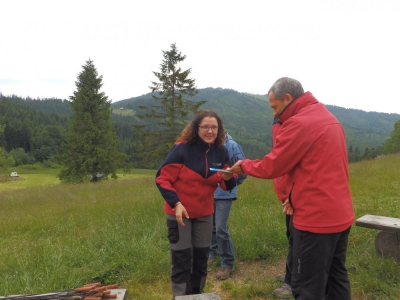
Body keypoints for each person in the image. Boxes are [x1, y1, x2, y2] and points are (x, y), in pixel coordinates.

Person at [228, 77, 355, 300]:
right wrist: (292, 195)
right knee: (336, 279)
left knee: (306, 287)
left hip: (315, 221)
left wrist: (244, 165)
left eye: (274, 107)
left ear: (287, 98)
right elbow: (317, 170)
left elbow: (272, 166)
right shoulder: (327, 117)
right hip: (340, 214)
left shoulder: (299, 123)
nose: (274, 114)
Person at [155, 110, 237, 299]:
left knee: (201, 259)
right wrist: (176, 203)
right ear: (196, 128)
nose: (210, 131)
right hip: (179, 213)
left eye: (214, 127)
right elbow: (162, 179)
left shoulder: (221, 151)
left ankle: (197, 295)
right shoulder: (181, 149)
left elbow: (226, 184)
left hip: (205, 214)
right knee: (182, 258)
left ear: (219, 129)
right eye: (205, 127)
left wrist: (229, 176)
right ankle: (181, 296)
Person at [208, 133, 247, 280]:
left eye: (215, 127)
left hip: (225, 195)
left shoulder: (232, 146)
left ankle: (228, 264)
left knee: (220, 229)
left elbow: (242, 169)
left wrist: (232, 185)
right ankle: (211, 255)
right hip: (210, 193)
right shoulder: (208, 146)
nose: (211, 131)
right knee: (210, 227)